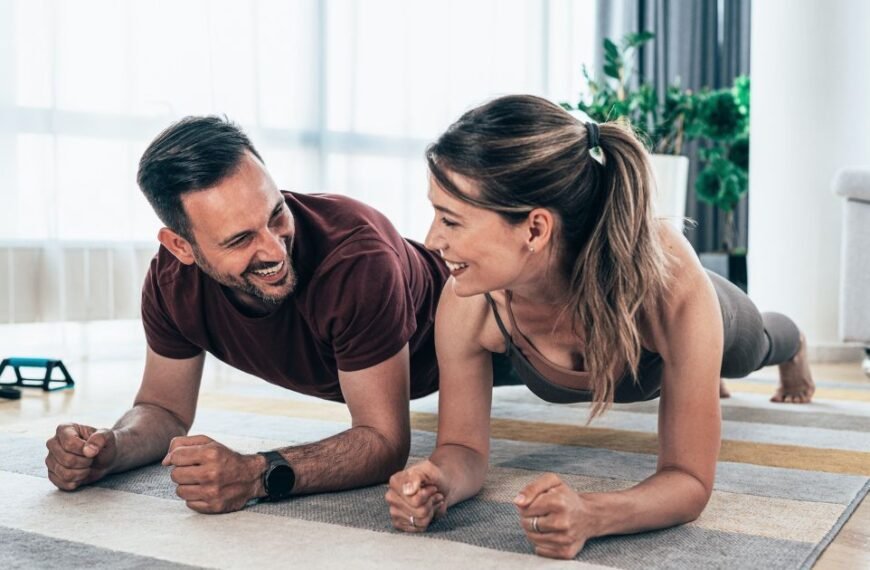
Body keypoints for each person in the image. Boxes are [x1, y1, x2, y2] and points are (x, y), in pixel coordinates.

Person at [384, 95, 815, 559]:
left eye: (450, 220)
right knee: (701, 374)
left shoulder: (673, 289)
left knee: (754, 349)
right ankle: (696, 377)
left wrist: (593, 513)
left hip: (703, 310)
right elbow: (462, 445)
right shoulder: (470, 303)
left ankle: (791, 345)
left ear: (534, 229)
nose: (431, 240)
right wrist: (441, 479)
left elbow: (689, 480)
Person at [44, 116, 449, 514]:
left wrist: (257, 473)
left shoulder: (356, 259)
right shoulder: (171, 283)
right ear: (181, 247)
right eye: (240, 239)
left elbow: (384, 441)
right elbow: (164, 409)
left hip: (487, 314)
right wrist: (111, 448)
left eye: (276, 214)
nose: (275, 251)